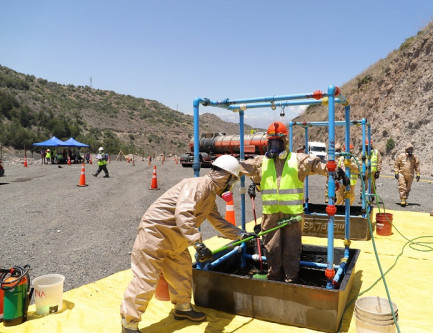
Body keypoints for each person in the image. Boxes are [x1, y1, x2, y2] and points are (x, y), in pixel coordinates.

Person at [120, 155, 256, 333]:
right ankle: (129, 323)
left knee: (182, 272)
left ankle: (182, 308)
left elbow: (217, 221)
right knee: (145, 279)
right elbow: (183, 214)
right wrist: (198, 244)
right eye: (232, 181)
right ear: (226, 177)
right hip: (155, 234)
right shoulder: (197, 186)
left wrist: (241, 234)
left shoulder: (209, 195)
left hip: (175, 239)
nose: (231, 186)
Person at [240, 121, 344, 283]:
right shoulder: (262, 161)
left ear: (285, 142)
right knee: (271, 248)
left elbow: (317, 164)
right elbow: (243, 167)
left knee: (291, 249)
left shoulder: (297, 160)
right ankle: (274, 278)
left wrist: (334, 169)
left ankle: (290, 280)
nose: (274, 144)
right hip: (271, 214)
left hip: (293, 215)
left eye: (277, 140)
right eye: (271, 141)